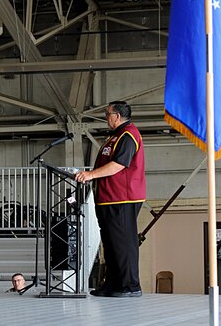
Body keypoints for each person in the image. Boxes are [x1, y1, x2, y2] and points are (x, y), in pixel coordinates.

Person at [75, 100, 146, 298]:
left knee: (123, 242)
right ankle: (114, 283)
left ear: (117, 116)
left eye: (108, 114)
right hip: (108, 198)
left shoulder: (128, 134)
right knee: (111, 243)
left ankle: (130, 285)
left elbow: (119, 164)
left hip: (122, 198)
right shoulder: (114, 136)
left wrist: (90, 175)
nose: (106, 118)